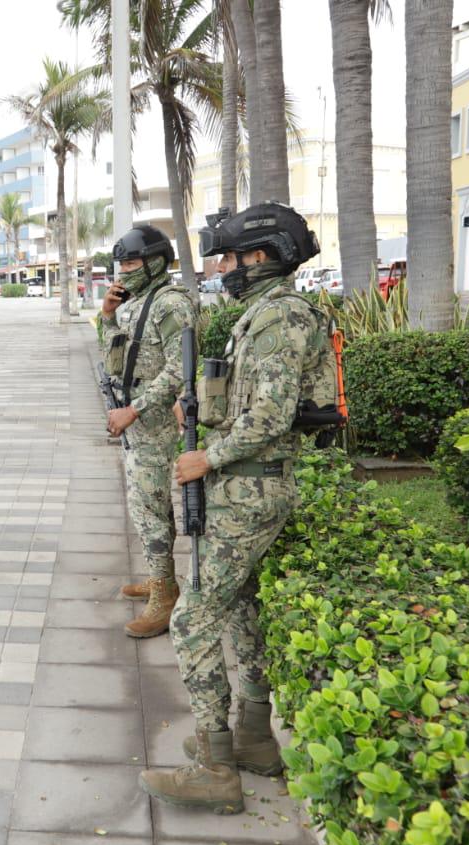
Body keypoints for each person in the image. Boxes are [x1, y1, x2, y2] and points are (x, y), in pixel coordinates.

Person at [139, 202, 328, 814]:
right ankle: (250, 737)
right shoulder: (265, 315)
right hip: (249, 485)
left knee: (191, 620)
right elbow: (255, 401)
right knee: (239, 610)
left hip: (249, 488)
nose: (226, 268)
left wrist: (206, 456)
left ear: (264, 256)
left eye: (233, 257)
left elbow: (271, 417)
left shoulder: (280, 319)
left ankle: (214, 766)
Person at [99, 224, 197, 639]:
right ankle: (161, 578)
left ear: (157, 262)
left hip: (152, 421)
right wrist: (106, 317)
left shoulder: (171, 304)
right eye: (120, 263)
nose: (124, 270)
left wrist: (134, 411)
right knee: (143, 505)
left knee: (151, 506)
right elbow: (114, 353)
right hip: (134, 420)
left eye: (132, 262)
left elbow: (180, 367)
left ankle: (165, 594)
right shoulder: (137, 301)